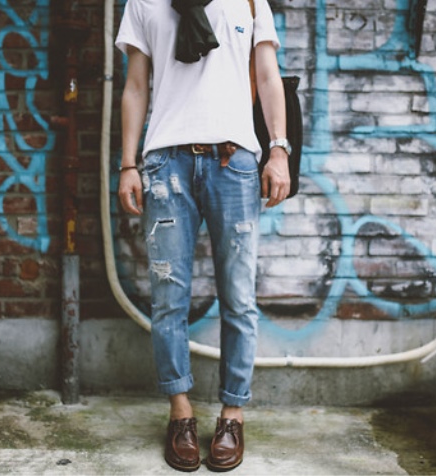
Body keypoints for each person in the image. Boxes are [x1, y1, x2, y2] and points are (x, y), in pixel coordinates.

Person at [115, 0, 290, 471]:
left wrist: (278, 150)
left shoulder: (249, 0)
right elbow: (136, 85)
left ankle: (233, 415)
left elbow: (268, 75)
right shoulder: (143, 2)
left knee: (239, 298)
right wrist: (128, 164)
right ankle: (181, 414)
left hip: (234, 162)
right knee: (168, 300)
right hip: (165, 163)